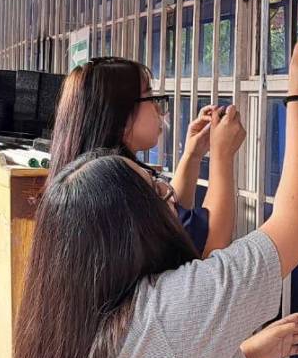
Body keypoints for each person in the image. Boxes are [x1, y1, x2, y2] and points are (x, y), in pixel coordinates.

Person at [8, 31, 298, 358]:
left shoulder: (71, 311)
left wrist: (246, 355)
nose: (173, 198)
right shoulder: (164, 313)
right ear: (133, 229)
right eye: (160, 194)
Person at [48, 57, 228, 256]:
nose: (159, 109)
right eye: (150, 97)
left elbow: (171, 223)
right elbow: (210, 245)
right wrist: (223, 155)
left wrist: (193, 155)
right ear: (121, 117)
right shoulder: (115, 185)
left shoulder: (93, 174)